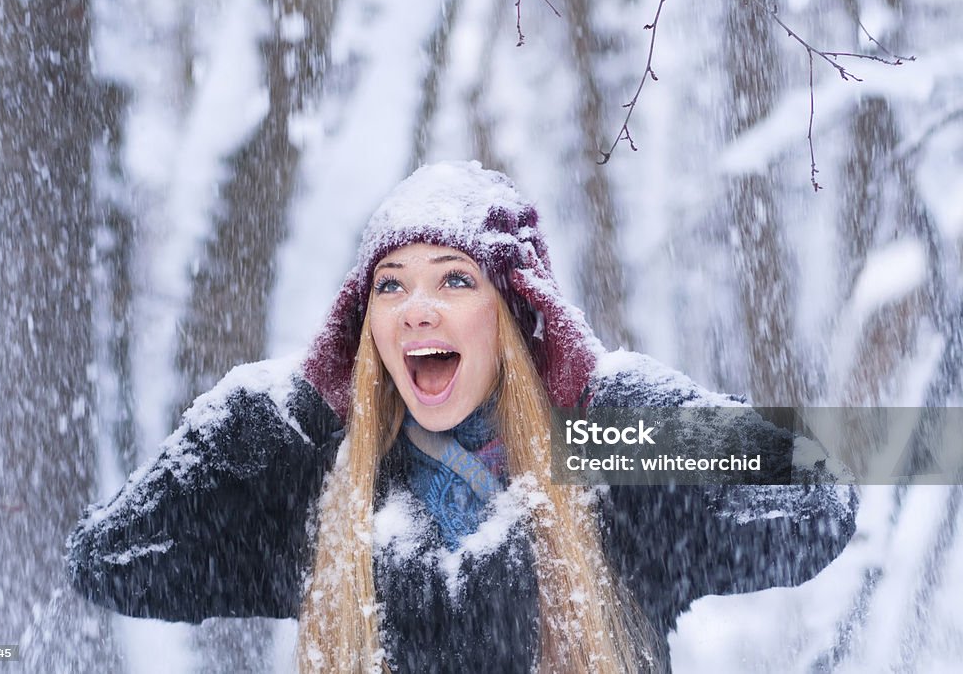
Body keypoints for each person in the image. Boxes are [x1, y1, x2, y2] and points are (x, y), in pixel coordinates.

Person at [67, 161, 857, 673]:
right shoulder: (328, 494)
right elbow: (111, 556)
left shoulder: (612, 479)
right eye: (390, 286)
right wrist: (293, 405)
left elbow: (817, 497)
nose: (417, 310)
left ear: (511, 315)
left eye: (453, 280)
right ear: (363, 325)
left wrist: (607, 392)